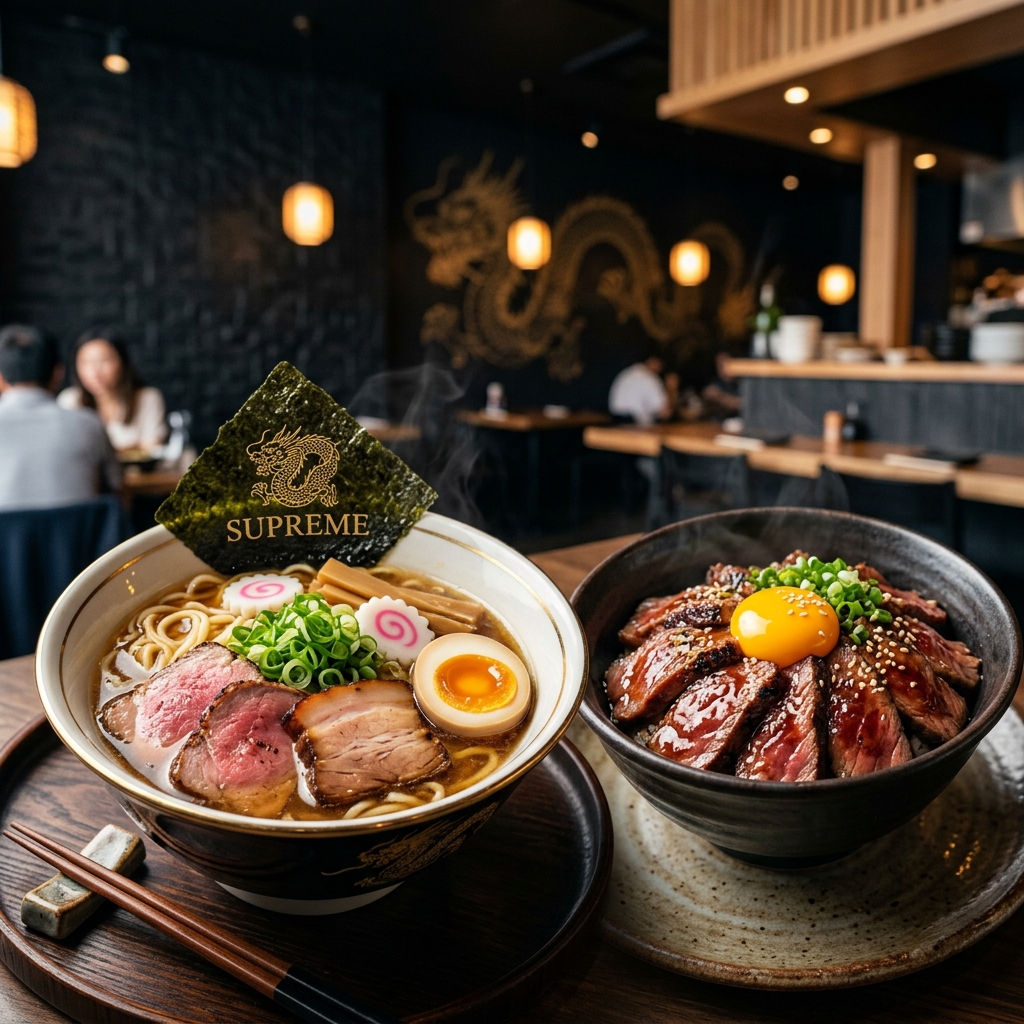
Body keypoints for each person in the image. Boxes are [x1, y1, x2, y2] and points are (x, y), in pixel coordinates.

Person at [0, 324, 121, 510]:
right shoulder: (89, 424)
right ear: (58, 373)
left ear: (1, 379)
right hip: (80, 538)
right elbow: (117, 488)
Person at [58, 328, 167, 452]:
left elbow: (152, 449)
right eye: (86, 362)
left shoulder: (147, 398)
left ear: (123, 362)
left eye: (103, 360)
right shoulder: (69, 400)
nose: (95, 372)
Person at [608, 355, 679, 425]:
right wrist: (671, 388)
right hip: (634, 425)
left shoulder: (627, 372)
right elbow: (665, 413)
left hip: (615, 422)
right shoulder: (649, 377)